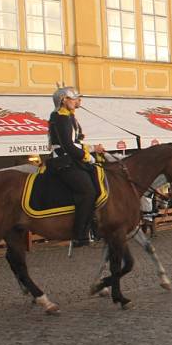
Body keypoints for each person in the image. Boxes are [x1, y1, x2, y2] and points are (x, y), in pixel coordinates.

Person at [48, 86, 105, 248]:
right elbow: (68, 146)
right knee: (87, 191)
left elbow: (76, 143)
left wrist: (94, 149)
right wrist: (88, 157)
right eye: (73, 98)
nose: (77, 101)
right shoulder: (60, 117)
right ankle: (79, 234)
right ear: (64, 100)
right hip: (63, 161)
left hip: (72, 159)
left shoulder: (70, 117)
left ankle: (95, 223)